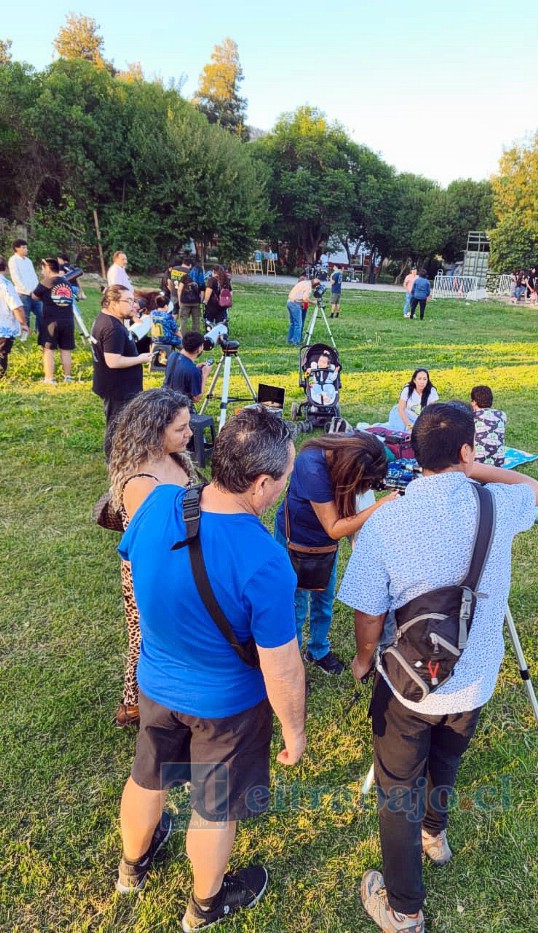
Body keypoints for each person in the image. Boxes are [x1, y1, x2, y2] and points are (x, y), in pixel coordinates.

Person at [339, 401, 538, 933]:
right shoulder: (498, 506)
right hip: (474, 678)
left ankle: (405, 910)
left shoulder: (388, 519)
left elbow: (368, 610)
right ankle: (435, 834)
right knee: (447, 763)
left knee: (396, 791)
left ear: (414, 451)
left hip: (407, 686)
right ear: (465, 451)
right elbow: (534, 490)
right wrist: (477, 469)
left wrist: (365, 660)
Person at [115, 407, 305, 931]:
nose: (285, 487)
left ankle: (131, 869)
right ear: (262, 484)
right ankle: (204, 905)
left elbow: (135, 568)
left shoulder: (153, 505)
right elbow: (283, 669)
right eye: (284, 478)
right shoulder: (266, 560)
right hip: (227, 709)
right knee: (213, 809)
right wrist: (294, 729)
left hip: (156, 685)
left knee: (147, 778)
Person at [108, 388, 197, 727]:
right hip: (152, 572)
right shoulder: (141, 481)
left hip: (180, 560)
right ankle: (132, 704)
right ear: (154, 430)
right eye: (181, 428)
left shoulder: (174, 458)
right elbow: (155, 543)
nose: (189, 433)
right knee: (145, 636)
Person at [274, 433, 399, 675]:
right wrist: (379, 506)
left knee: (324, 599)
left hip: (324, 548)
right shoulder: (311, 466)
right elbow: (334, 528)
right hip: (297, 542)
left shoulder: (352, 452)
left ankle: (318, 650)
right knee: (296, 606)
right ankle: (294, 665)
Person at [91, 285, 153, 457]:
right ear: (112, 302)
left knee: (122, 423)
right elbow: (113, 361)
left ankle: (123, 455)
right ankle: (114, 460)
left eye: (133, 300)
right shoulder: (112, 328)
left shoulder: (106, 319)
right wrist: (140, 358)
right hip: (117, 387)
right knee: (116, 425)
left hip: (115, 385)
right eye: (128, 301)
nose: (133, 305)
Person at [32, 258, 75, 384]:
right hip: (68, 320)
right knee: (66, 349)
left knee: (48, 349)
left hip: (51, 321)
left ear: (47, 268)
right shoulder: (66, 282)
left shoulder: (47, 281)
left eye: (42, 269)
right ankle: (68, 377)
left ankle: (49, 378)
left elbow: (34, 296)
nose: (42, 271)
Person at [163, 331, 212, 407]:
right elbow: (196, 398)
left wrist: (194, 368)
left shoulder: (173, 355)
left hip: (164, 400)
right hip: (179, 407)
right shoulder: (193, 371)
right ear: (198, 349)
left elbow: (179, 371)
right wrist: (204, 375)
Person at [0, 254, 29, 378]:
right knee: (2, 353)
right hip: (4, 327)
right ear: (5, 269)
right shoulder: (5, 284)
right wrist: (23, 323)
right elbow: (16, 306)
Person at [8, 238, 42, 338]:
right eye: (23, 247)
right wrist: (27, 291)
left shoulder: (28, 261)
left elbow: (34, 276)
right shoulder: (13, 260)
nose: (26, 249)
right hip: (23, 294)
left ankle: (40, 333)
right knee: (24, 316)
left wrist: (37, 290)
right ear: (16, 249)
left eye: (26, 247)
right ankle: (24, 337)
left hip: (34, 293)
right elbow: (16, 279)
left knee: (41, 313)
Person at [470, 384, 507, 467]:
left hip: (477, 462)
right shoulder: (502, 414)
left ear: (474, 402)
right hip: (499, 461)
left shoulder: (471, 416)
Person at [286, 275, 318, 346]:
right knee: (298, 324)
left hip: (289, 302)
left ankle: (289, 340)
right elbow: (305, 298)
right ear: (315, 286)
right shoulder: (309, 288)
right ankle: (296, 342)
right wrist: (313, 302)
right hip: (295, 305)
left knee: (293, 323)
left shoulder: (304, 282)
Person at [176, 257, 203, 334]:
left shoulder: (185, 276)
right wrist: (200, 300)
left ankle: (183, 336)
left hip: (185, 301)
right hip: (196, 302)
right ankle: (196, 335)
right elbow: (202, 291)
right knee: (196, 320)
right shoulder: (199, 278)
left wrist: (179, 300)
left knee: (183, 320)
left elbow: (179, 289)